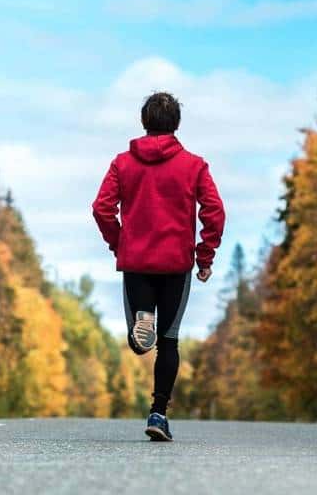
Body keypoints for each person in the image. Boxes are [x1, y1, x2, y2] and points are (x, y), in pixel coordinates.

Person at [92, 92, 225, 441]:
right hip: (175, 266)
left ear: (144, 122)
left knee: (140, 340)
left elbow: (102, 208)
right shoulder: (194, 165)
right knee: (168, 341)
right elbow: (214, 211)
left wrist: (118, 242)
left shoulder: (122, 163)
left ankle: (141, 326)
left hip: (136, 262)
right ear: (176, 124)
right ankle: (158, 414)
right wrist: (205, 255)